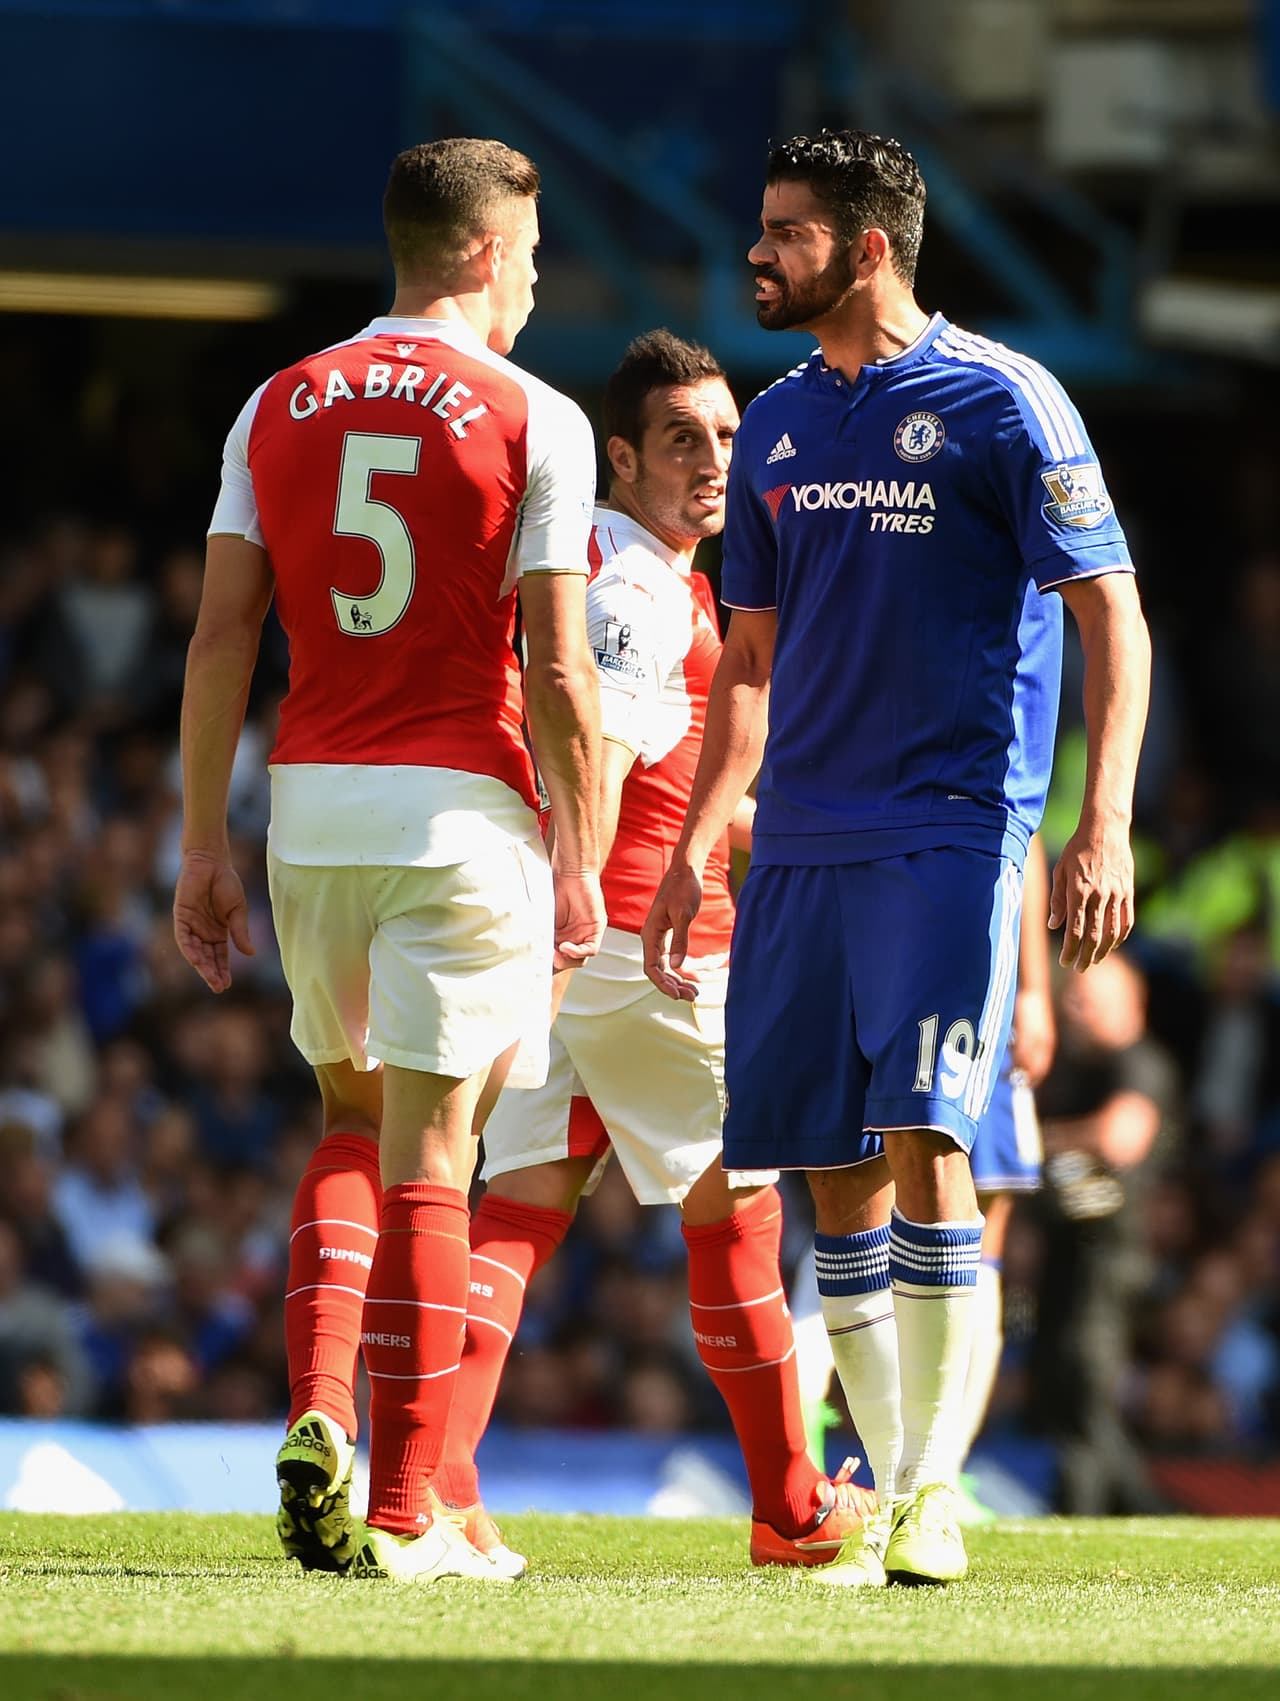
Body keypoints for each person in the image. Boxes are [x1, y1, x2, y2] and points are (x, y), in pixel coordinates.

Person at [643, 129, 1150, 1587]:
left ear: (868, 248)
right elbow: (746, 661)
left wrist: (1101, 822)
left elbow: (1112, 614)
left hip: (950, 825)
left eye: (786, 232)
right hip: (802, 840)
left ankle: (932, 1490)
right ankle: (882, 1484)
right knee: (829, 1173)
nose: (758, 253)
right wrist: (695, 839)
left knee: (929, 1141)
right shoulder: (777, 425)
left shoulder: (1004, 399)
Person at [174, 137, 603, 1585]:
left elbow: (222, 636)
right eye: (528, 256)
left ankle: (319, 1409)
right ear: (482, 252)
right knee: (439, 1149)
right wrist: (583, 847)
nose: (533, 282)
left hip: (311, 807)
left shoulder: (276, 399)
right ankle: (412, 1511)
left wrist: (200, 842)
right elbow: (559, 668)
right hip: (460, 809)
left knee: (347, 1118)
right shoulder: (537, 416)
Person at [431, 329, 876, 1569]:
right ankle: (791, 1508)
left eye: (726, 437)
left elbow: (660, 778)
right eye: (682, 439)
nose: (714, 461)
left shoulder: (601, 566)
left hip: (565, 932)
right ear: (620, 457)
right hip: (642, 941)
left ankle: (436, 1487)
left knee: (517, 1210)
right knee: (737, 1210)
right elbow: (605, 758)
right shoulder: (632, 590)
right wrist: (588, 916)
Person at [789, 836, 1057, 1511]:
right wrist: (1033, 988)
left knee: (883, 1201)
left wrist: (1032, 988)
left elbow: (1025, 837)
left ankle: (923, 1469)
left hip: (927, 948)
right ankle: (915, 1471)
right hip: (921, 950)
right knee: (866, 1197)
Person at [1031, 952, 1178, 1513]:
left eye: (1087, 999)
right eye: (1070, 997)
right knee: (1060, 1390)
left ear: (1129, 1005)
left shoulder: (1140, 1064)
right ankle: (1118, 1509)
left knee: (1086, 1389)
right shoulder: (1070, 1072)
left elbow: (1120, 1139)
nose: (1073, 1007)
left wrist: (1037, 1141)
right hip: (1063, 1252)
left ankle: (1132, 1509)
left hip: (1111, 1257)